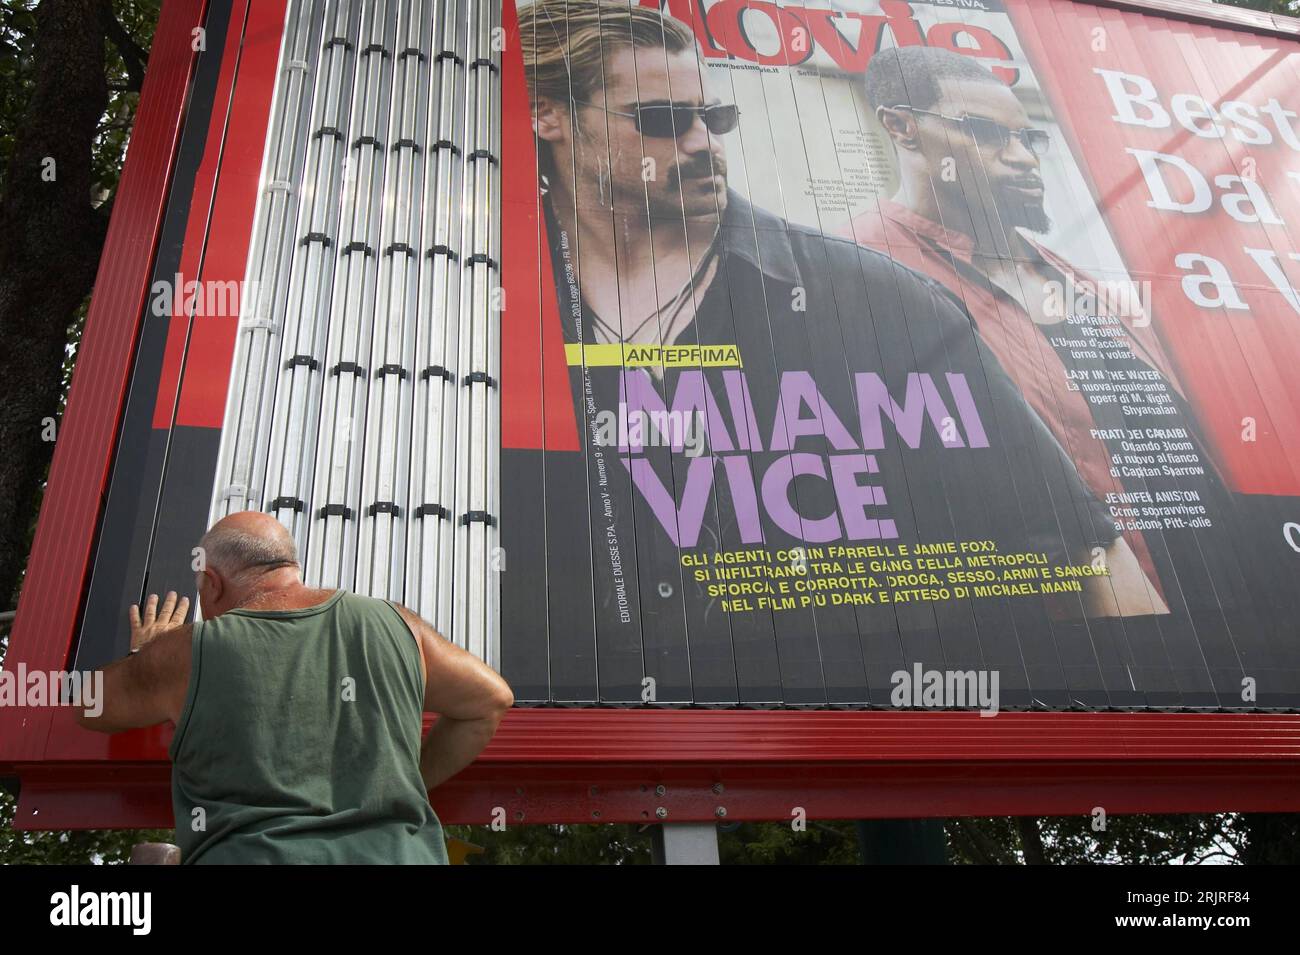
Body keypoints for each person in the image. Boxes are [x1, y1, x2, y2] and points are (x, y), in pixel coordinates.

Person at [516, 0, 1160, 640]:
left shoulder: (883, 300)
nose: (703, 143)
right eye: (660, 119)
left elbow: (1085, 551)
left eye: (715, 117)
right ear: (549, 116)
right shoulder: (485, 306)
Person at [840, 45, 1201, 602]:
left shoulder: (1084, 285)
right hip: (1047, 632)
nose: (1024, 158)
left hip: (1205, 610)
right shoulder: (851, 269)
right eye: (986, 133)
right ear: (902, 126)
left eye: (1028, 138)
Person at [75, 510, 514, 864]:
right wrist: (405, 784)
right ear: (289, 566)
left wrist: (147, 653)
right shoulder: (395, 624)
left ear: (212, 582)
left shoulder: (187, 651)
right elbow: (491, 699)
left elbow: (88, 706)